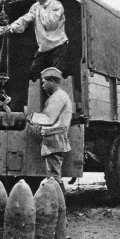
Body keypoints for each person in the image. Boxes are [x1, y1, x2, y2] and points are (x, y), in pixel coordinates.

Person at [26, 67, 72, 195]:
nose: (43, 86)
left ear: (52, 81)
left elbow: (49, 119)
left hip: (55, 140)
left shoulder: (58, 97)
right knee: (53, 175)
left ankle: (59, 206)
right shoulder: (58, 96)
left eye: (44, 82)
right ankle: (59, 205)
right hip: (53, 140)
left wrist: (31, 117)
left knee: (54, 176)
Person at [9, 0, 69, 81]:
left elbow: (50, 24)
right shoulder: (35, 6)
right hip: (43, 47)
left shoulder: (56, 5)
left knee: (55, 74)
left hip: (58, 45)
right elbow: (26, 18)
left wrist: (41, 9)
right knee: (34, 74)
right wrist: (12, 27)